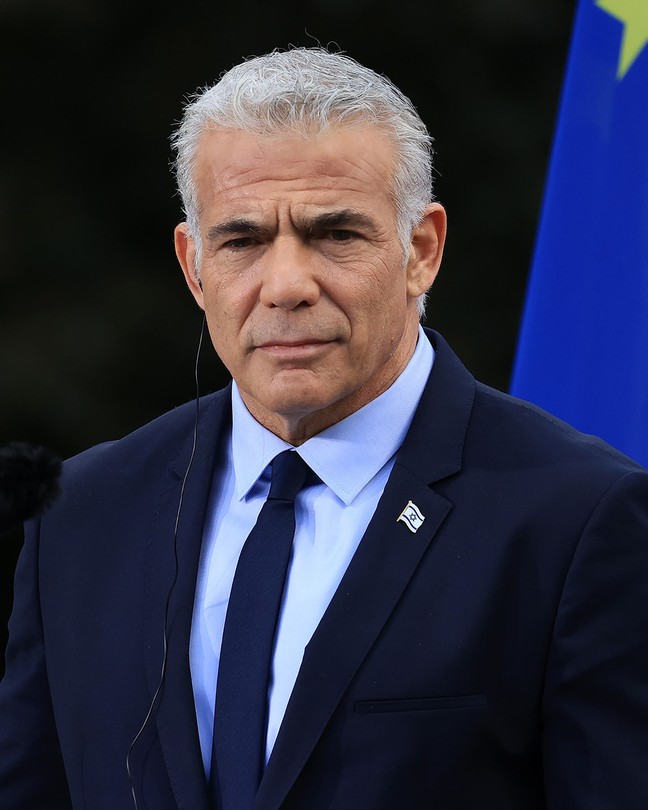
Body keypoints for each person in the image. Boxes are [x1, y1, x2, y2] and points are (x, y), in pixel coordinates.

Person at [1, 48, 647, 810]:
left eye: (335, 233)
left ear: (422, 250)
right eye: (242, 240)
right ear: (194, 264)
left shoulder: (580, 521)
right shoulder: (83, 513)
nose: (286, 286)